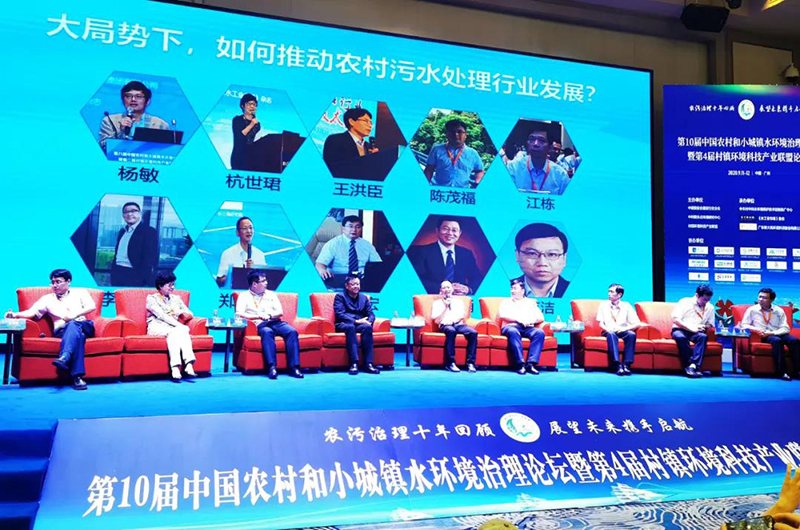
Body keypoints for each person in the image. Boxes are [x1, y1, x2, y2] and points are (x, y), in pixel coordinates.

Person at [6, 269, 94, 390]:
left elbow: (91, 306)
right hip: (62, 331)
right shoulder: (47, 299)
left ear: (68, 281)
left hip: (84, 325)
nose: (54, 285)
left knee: (73, 324)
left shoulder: (80, 293)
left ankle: (65, 357)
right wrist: (15, 314)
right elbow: (32, 312)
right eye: (52, 282)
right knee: (79, 337)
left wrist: (73, 315)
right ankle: (77, 377)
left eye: (58, 282)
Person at [235, 270, 303, 379]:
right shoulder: (244, 296)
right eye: (263, 281)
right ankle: (272, 367)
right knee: (267, 332)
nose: (266, 283)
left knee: (292, 331)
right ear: (254, 284)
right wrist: (257, 316)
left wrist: (269, 315)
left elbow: (280, 312)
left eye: (266, 280)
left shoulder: (271, 294)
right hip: (259, 323)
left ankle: (294, 367)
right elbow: (239, 314)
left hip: (275, 321)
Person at [408, 217, 481, 295]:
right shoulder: (422, 251)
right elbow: (415, 279)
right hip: (431, 298)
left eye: (454, 230)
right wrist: (443, 288)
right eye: (445, 229)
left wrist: (468, 289)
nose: (450, 233)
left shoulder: (466, 254)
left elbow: (477, 279)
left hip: (460, 299)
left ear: (459, 233)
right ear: (437, 231)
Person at [740, 288, 800, 382]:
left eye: (764, 298)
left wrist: (772, 332)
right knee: (777, 341)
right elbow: (744, 325)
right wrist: (757, 329)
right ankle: (782, 372)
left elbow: (786, 328)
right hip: (763, 335)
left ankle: (797, 371)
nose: (760, 299)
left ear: (771, 300)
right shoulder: (752, 310)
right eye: (759, 297)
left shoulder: (779, 311)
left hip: (777, 332)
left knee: (794, 341)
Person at [146, 272, 197, 381]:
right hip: (157, 326)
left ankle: (188, 364)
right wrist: (180, 325)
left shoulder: (176, 299)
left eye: (173, 284)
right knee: (180, 331)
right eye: (169, 285)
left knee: (178, 332)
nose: (173, 287)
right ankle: (175, 367)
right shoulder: (151, 299)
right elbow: (162, 316)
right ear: (160, 286)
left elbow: (190, 313)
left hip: (173, 328)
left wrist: (178, 312)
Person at [98, 80, 169, 149]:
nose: (133, 99)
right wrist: (121, 131)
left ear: (148, 101)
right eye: (128, 96)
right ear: (122, 100)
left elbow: (167, 150)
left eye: (138, 96)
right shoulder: (110, 121)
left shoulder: (161, 124)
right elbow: (103, 146)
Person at [498, 278, 545, 375]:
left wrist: (531, 321)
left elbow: (541, 317)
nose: (512, 291)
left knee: (539, 332)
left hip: (528, 327)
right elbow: (502, 315)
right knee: (513, 332)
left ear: (522, 291)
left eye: (515, 289)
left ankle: (531, 364)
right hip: (511, 326)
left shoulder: (530, 302)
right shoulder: (506, 302)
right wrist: (518, 320)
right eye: (511, 288)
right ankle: (520, 364)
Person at [334, 274, 380, 375]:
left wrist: (369, 321)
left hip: (360, 324)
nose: (356, 286)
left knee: (367, 327)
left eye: (358, 284)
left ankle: (368, 364)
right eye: (353, 284)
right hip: (344, 324)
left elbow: (371, 314)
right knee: (350, 327)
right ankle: (354, 363)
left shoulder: (364, 298)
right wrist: (356, 321)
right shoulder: (340, 297)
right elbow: (340, 314)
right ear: (347, 286)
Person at [431, 280, 478, 373]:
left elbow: (461, 315)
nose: (446, 289)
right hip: (445, 325)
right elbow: (436, 320)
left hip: (458, 323)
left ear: (452, 289)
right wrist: (445, 307)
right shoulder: (437, 303)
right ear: (441, 290)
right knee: (451, 331)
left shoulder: (459, 302)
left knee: (473, 333)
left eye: (448, 287)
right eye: (444, 288)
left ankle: (471, 363)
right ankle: (450, 363)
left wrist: (452, 321)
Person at [315, 215, 382, 280]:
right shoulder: (333, 244)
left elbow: (378, 264)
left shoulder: (367, 245)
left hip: (362, 279)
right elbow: (320, 263)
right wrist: (322, 270)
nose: (354, 230)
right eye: (350, 226)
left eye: (358, 227)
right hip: (338, 278)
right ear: (343, 228)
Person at [505, 128, 570, 194]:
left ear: (549, 147)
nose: (535, 144)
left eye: (542, 140)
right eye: (532, 139)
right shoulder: (513, 168)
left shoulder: (560, 175)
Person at [513, 222, 570, 298]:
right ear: (517, 255)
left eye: (552, 254)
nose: (542, 263)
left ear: (564, 258)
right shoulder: (502, 288)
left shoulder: (577, 290)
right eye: (532, 253)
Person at [423, 119, 485, 188]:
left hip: (462, 192)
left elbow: (479, 171)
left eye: (459, 132)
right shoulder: (436, 150)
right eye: (452, 132)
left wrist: (477, 183)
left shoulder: (473, 153)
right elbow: (429, 170)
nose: (456, 134)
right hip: (438, 190)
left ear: (465, 135)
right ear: (447, 134)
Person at [596, 284, 642, 376]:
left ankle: (626, 364)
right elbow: (600, 323)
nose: (609, 294)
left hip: (622, 330)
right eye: (608, 291)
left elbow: (637, 323)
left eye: (611, 292)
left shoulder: (626, 306)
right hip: (608, 330)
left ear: (619, 295)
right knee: (611, 335)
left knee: (631, 335)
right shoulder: (603, 305)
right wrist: (608, 329)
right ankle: (617, 365)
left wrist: (624, 328)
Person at [671, 284, 715, 378]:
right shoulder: (685, 302)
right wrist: (691, 328)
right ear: (697, 295)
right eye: (704, 300)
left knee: (703, 337)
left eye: (708, 300)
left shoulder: (710, 307)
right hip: (680, 329)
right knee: (680, 337)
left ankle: (694, 366)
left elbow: (710, 324)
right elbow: (675, 319)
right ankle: (689, 365)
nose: (706, 303)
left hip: (696, 332)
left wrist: (703, 326)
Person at [111, 201, 159, 287]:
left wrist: (140, 277)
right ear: (123, 216)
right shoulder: (122, 231)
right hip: (117, 272)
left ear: (140, 214)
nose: (129, 214)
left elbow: (149, 257)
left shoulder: (148, 231)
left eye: (133, 211)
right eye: (126, 212)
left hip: (134, 275)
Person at [216, 217, 267, 287]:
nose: (248, 231)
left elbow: (264, 281)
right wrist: (237, 274)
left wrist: (254, 271)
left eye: (250, 228)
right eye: (245, 228)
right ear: (237, 233)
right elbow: (219, 281)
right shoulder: (228, 253)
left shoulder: (260, 254)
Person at [230, 93, 261, 170]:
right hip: (238, 157)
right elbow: (239, 137)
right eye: (249, 104)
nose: (252, 106)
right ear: (242, 106)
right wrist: (251, 125)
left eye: (254, 104)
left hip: (251, 158)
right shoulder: (237, 120)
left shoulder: (257, 124)